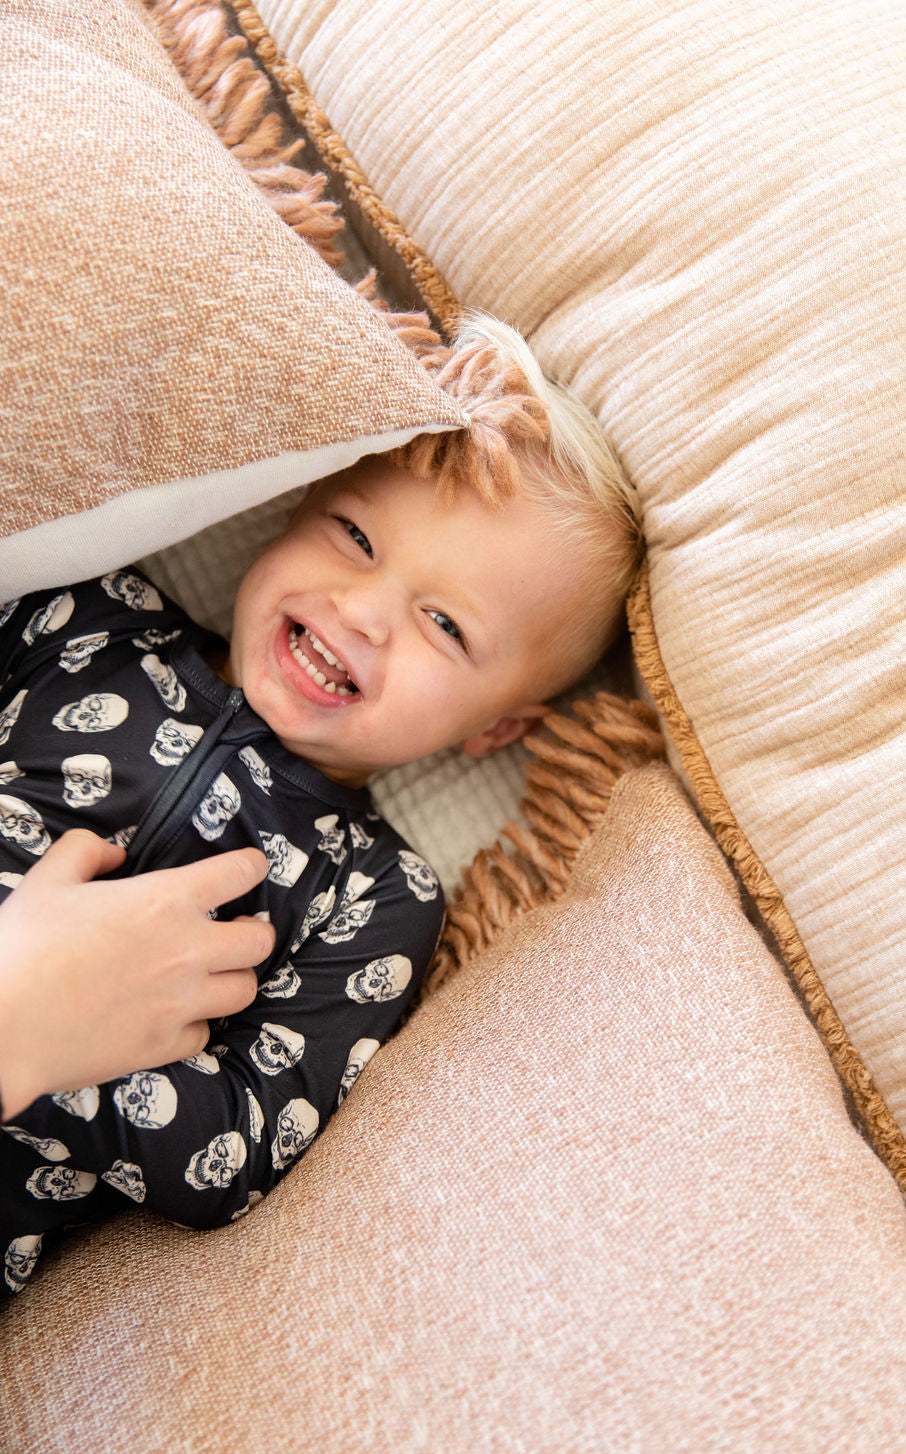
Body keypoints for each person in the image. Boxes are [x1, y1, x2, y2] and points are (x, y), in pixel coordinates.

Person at [0, 312, 643, 1296]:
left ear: (495, 730)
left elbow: (235, 1154)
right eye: (355, 536)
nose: (362, 610)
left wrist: (71, 1039)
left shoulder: (376, 895)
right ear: (294, 506)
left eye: (445, 624)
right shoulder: (84, 616)